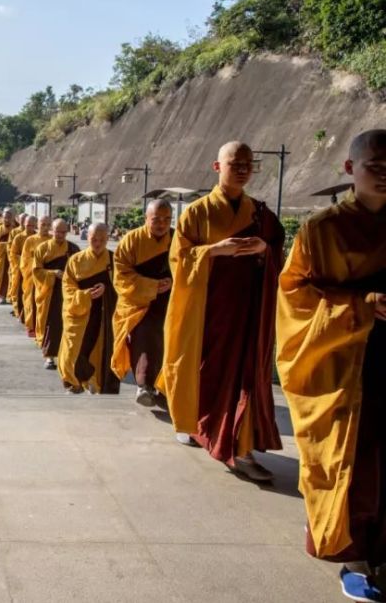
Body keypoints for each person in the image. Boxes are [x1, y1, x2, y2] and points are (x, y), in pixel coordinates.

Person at [276, 130, 386, 601]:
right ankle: (354, 558)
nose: (385, 175)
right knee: (351, 463)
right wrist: (360, 306)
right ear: (349, 169)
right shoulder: (321, 230)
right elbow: (294, 298)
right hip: (343, 364)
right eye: (375, 166)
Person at [160, 141, 284, 481]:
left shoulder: (260, 213)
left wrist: (264, 248)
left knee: (246, 376)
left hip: (249, 311)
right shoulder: (197, 212)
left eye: (248, 163)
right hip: (209, 312)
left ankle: (241, 450)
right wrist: (214, 251)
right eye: (235, 163)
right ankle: (206, 430)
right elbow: (179, 260)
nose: (242, 168)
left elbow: (278, 250)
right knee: (209, 375)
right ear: (218, 167)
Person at [111, 200, 174, 407]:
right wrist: (152, 286)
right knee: (145, 338)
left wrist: (173, 281)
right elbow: (121, 275)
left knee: (171, 343)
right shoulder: (131, 240)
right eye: (156, 219)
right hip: (141, 303)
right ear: (146, 218)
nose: (162, 224)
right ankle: (144, 385)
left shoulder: (178, 239)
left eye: (167, 219)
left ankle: (166, 389)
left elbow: (190, 264)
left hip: (172, 300)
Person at [59, 223, 119, 394]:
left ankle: (96, 381)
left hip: (105, 313)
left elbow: (124, 286)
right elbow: (68, 288)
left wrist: (107, 290)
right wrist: (86, 295)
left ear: (108, 238)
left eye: (102, 239)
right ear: (88, 238)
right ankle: (78, 380)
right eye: (94, 239)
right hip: (80, 313)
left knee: (101, 350)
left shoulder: (114, 261)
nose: (98, 243)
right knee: (72, 351)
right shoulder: (76, 260)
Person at [33, 218, 80, 369]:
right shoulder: (43, 248)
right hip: (51, 292)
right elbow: (36, 271)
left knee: (70, 323)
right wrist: (53, 273)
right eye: (57, 231)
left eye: (63, 232)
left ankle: (69, 356)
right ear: (51, 231)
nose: (60, 235)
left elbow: (82, 269)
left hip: (70, 291)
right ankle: (50, 357)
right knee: (52, 324)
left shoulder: (73, 249)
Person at [20, 215, 50, 338]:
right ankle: (31, 326)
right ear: (38, 225)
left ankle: (44, 327)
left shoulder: (52, 241)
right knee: (31, 301)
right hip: (32, 276)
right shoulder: (30, 240)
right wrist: (31, 270)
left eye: (48, 225)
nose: (45, 228)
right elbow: (25, 260)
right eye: (43, 224)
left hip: (46, 277)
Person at [0, 208, 18, 305]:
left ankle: (11, 296)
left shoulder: (17, 229)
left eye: (9, 217)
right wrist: (4, 245)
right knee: (1, 276)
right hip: (1, 257)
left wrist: (10, 247)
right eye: (5, 217)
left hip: (13, 257)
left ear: (13, 217)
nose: (7, 219)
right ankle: (2, 297)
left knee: (12, 276)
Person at [6, 213, 30, 319]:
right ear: (19, 221)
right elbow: (11, 250)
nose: (25, 223)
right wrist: (22, 260)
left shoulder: (35, 237)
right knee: (16, 287)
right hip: (18, 265)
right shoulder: (16, 233)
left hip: (30, 268)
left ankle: (26, 311)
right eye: (23, 220)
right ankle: (16, 308)